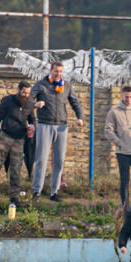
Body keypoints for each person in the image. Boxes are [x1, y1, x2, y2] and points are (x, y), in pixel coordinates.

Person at [30, 61, 84, 202]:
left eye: (60, 72)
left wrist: (80, 117)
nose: (58, 74)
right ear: (51, 71)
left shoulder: (66, 86)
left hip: (61, 127)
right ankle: (37, 191)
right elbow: (28, 99)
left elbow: (75, 103)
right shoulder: (41, 84)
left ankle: (54, 192)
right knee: (41, 159)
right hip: (44, 125)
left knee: (59, 160)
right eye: (56, 71)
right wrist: (35, 104)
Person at [0, 81, 36, 208]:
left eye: (28, 93)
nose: (26, 95)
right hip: (5, 136)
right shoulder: (8, 101)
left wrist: (32, 127)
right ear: (18, 90)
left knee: (16, 168)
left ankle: (14, 196)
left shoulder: (30, 103)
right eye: (24, 92)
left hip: (19, 139)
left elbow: (32, 120)